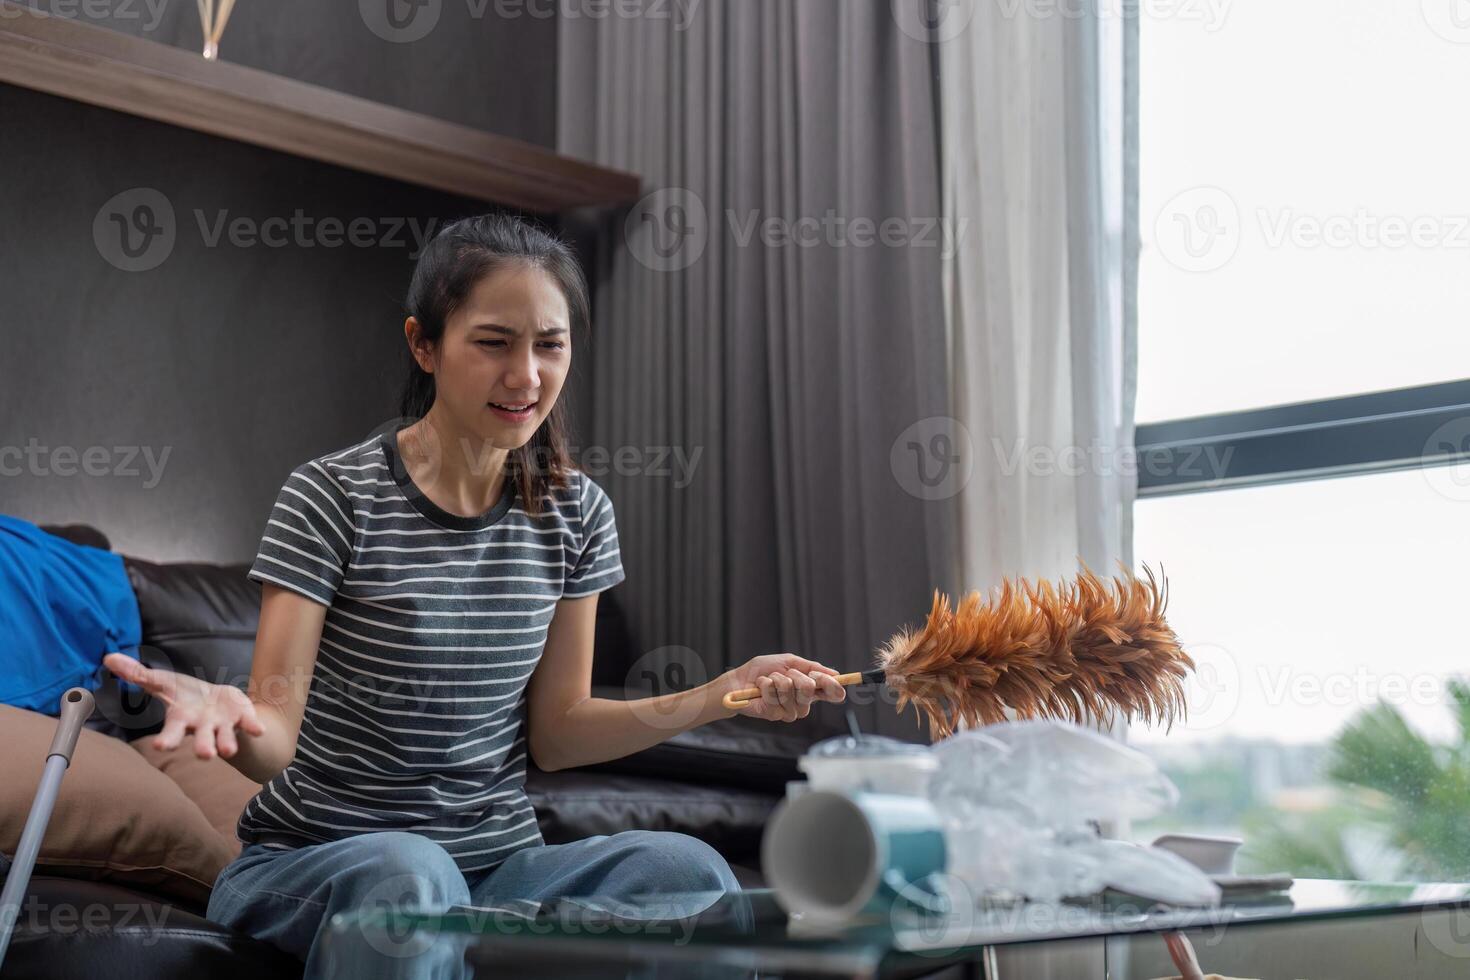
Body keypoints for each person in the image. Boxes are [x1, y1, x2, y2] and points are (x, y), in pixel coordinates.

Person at [104, 213, 847, 979]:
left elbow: (559, 732)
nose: (526, 376)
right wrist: (236, 717)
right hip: (319, 866)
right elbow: (277, 743)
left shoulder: (577, 513)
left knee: (687, 876)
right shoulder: (332, 497)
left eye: (549, 345)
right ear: (424, 344)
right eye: (494, 342)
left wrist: (721, 693)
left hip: (495, 871)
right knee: (410, 874)